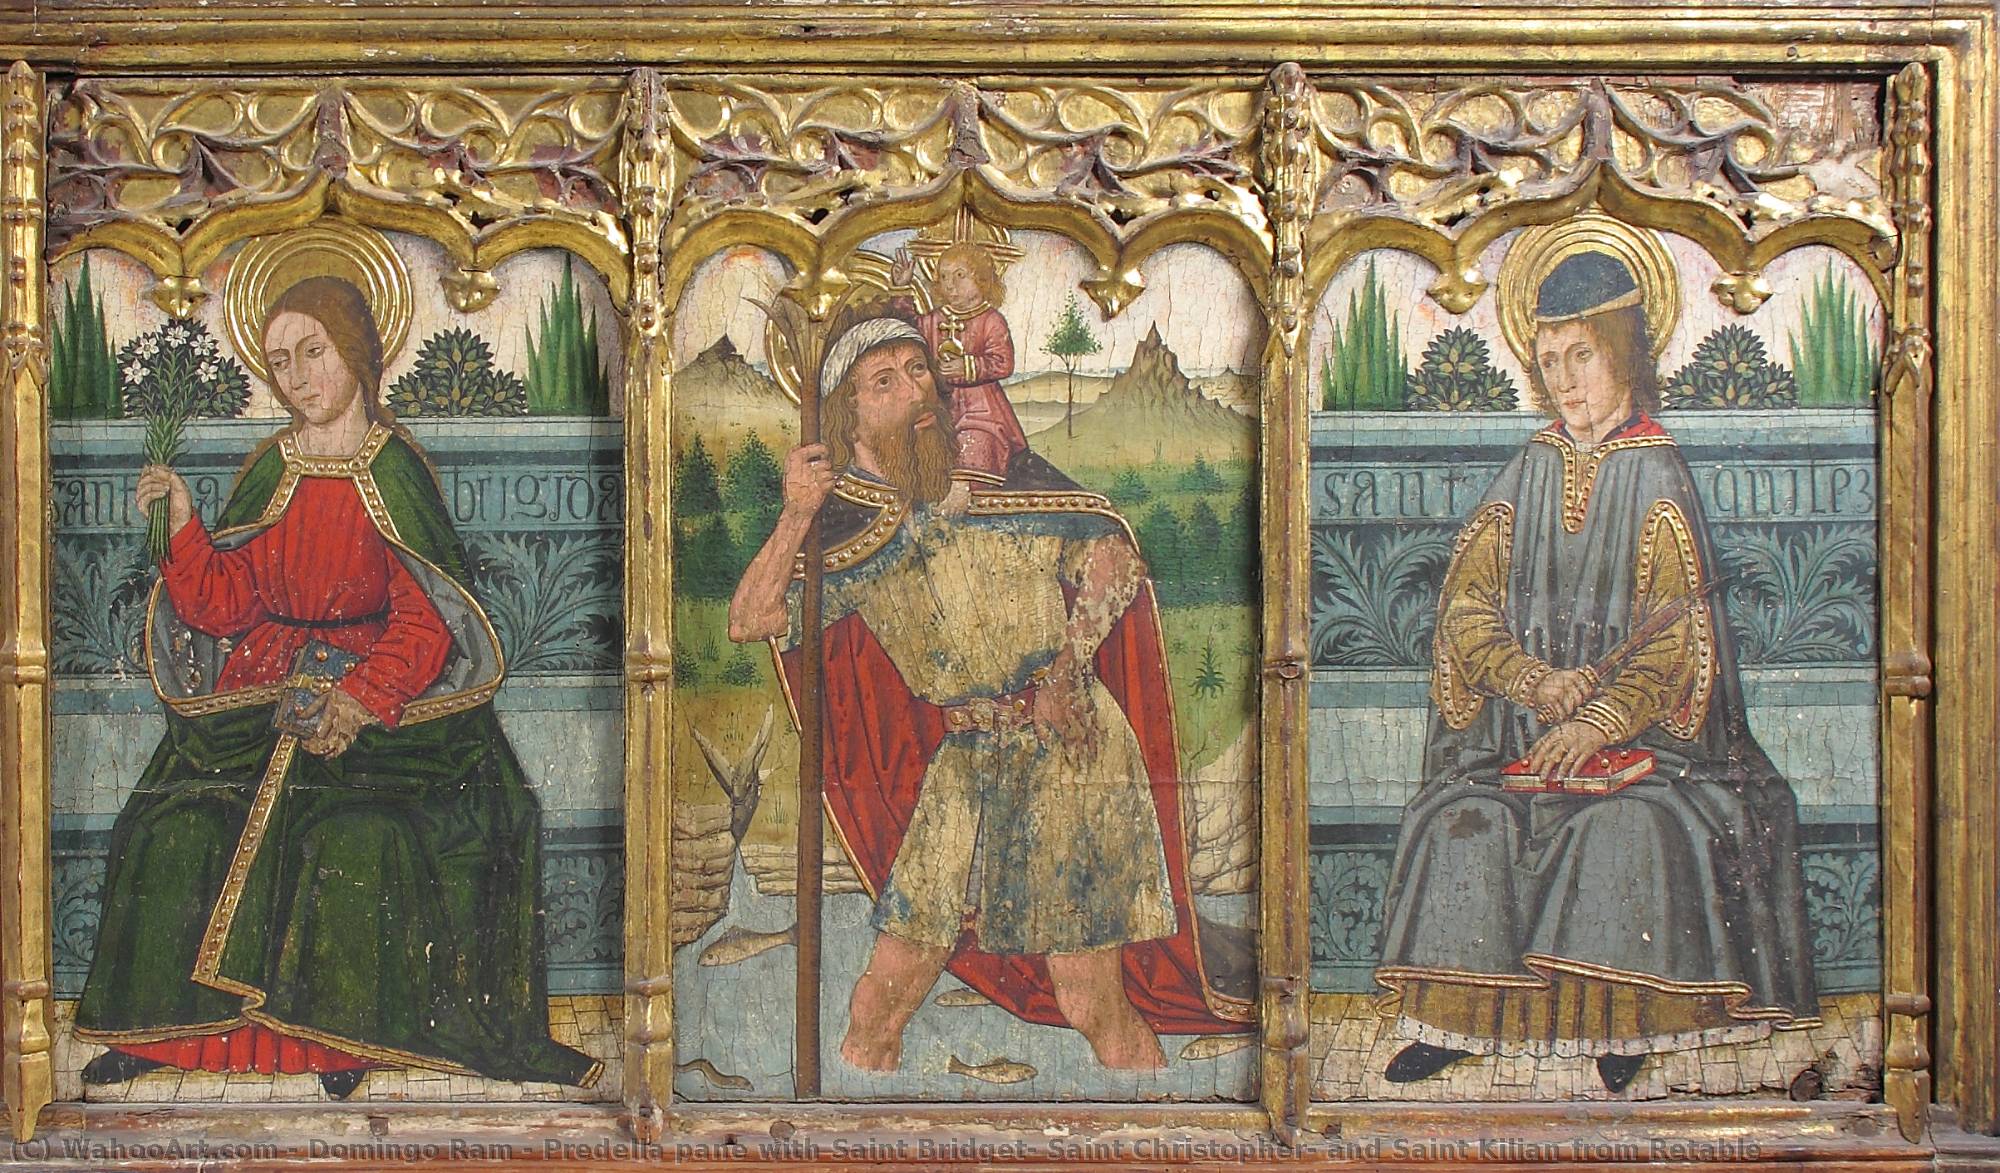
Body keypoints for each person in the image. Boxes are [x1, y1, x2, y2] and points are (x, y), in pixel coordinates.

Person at [72, 276, 598, 1098]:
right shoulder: (273, 468)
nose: (298, 377)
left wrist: (357, 698)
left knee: (354, 835)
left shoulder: (395, 471)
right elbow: (227, 602)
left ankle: (341, 1038)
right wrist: (182, 523)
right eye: (281, 362)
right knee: (168, 824)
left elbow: (427, 623)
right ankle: (164, 1035)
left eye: (313, 352)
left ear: (354, 351)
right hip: (263, 690)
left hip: (383, 708)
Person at [727, 317, 1249, 1072]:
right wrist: (797, 512)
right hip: (965, 763)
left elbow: (1112, 556)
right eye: (885, 381)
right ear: (847, 418)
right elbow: (752, 620)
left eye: (918, 369)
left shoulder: (1003, 478)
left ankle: (1149, 1120)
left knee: (1090, 998)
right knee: (881, 999)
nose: (916, 391)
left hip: (1067, 750)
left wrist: (1067, 668)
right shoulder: (847, 529)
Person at [1372, 251, 1818, 1094]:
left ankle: (1624, 1022)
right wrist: (1532, 681)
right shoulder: (1529, 468)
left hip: (1661, 758)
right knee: (1465, 822)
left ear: (1624, 350)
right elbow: (1465, 610)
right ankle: (1463, 1018)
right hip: (1525, 744)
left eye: (1582, 354)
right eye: (1549, 361)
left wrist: (1598, 721)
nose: (1565, 381)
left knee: (1626, 831)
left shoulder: (1658, 471)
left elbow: (1676, 644)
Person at [889, 241, 1027, 511]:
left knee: (979, 437)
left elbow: (1003, 363)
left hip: (981, 407)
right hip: (940, 404)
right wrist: (901, 288)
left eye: (959, 275)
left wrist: (969, 366)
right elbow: (905, 331)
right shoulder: (933, 320)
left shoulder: (991, 320)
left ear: (982, 279)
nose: (950, 285)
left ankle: (964, 488)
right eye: (943, 277)